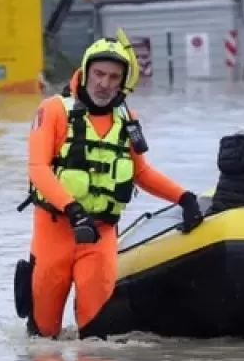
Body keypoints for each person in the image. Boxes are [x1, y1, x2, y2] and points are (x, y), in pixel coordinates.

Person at [14, 36, 205, 339]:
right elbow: (38, 169)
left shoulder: (127, 119)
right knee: (43, 336)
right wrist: (74, 210)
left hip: (100, 235)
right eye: (99, 74)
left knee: (95, 337)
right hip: (55, 231)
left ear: (123, 83)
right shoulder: (52, 111)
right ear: (86, 71)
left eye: (114, 77)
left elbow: (141, 172)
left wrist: (184, 197)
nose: (104, 83)